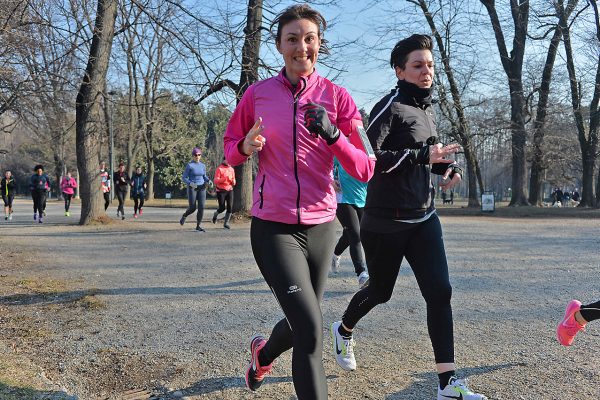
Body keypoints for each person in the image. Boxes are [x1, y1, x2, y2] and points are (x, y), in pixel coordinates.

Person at [223, 4, 375, 399]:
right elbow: (229, 152)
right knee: (310, 329)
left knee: (299, 321)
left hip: (323, 227)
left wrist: (333, 135)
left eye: (309, 39)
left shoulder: (339, 99)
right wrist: (245, 144)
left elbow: (364, 168)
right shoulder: (257, 95)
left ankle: (263, 353)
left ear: (319, 45)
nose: (301, 47)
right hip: (273, 227)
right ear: (279, 45)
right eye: (292, 39)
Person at [329, 34, 487, 400]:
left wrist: (446, 171)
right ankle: (344, 329)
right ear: (399, 70)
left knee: (440, 293)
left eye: (429, 65)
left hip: (424, 219)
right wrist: (420, 157)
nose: (426, 71)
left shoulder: (426, 110)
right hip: (385, 221)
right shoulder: (389, 107)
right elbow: (367, 161)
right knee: (381, 291)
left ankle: (447, 385)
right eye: (417, 65)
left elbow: (429, 157)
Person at [331, 158, 370, 288]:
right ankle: (362, 274)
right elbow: (328, 164)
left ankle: (336, 254)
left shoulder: (367, 148)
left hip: (363, 198)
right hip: (343, 198)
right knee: (355, 234)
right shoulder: (341, 144)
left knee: (350, 234)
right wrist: (331, 179)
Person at [180, 147, 210, 232]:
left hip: (202, 188)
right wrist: (190, 183)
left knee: (202, 207)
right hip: (192, 187)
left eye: (199, 155)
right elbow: (184, 178)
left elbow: (204, 176)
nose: (197, 156)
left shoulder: (203, 165)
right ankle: (185, 215)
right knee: (193, 208)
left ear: (201, 155)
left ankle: (198, 225)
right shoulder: (190, 165)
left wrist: (209, 180)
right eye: (195, 155)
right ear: (193, 156)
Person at [211, 156, 236, 229]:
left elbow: (234, 180)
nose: (229, 162)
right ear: (224, 160)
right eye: (228, 160)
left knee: (230, 207)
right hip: (221, 191)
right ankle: (215, 214)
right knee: (222, 208)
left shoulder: (231, 169)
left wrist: (233, 181)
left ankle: (226, 223)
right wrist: (224, 179)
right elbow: (215, 180)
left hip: (230, 190)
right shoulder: (219, 169)